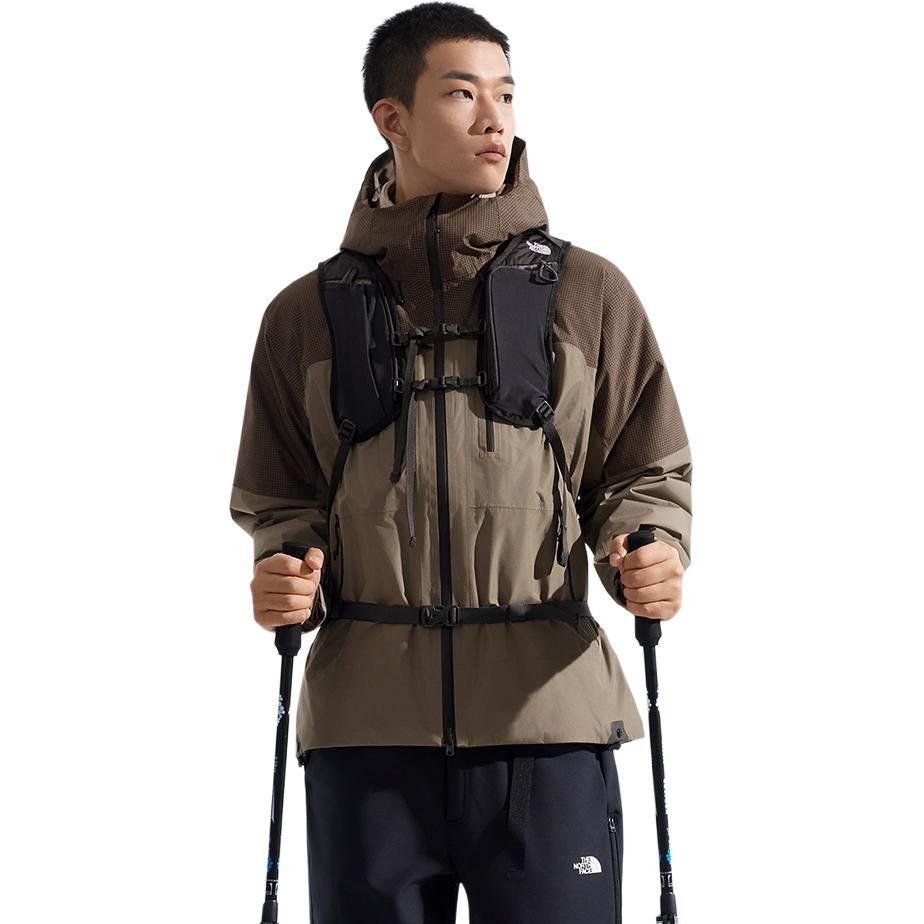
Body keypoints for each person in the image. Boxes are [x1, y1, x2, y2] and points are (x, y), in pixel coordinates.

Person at [230, 4, 692, 922]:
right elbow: (278, 496)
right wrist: (284, 569)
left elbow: (644, 471)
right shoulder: (302, 316)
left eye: (506, 94)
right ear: (391, 118)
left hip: (548, 727)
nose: (494, 118)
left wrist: (652, 547)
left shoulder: (588, 293)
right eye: (461, 93)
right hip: (366, 737)